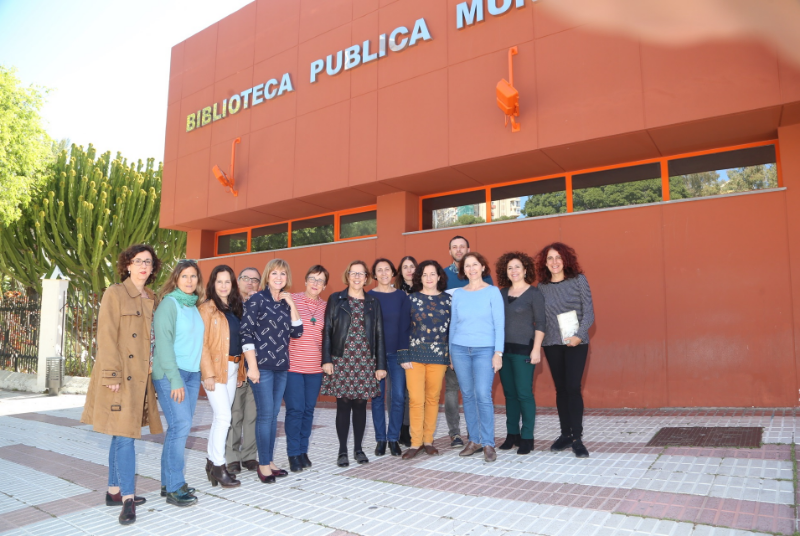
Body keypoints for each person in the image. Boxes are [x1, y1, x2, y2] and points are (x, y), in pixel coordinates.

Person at [81, 245, 162, 526]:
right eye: (138, 261)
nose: (143, 266)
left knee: (120, 433)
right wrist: (112, 375)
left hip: (142, 377)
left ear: (153, 269)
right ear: (127, 265)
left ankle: (113, 491)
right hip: (121, 376)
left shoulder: (151, 297)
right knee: (127, 436)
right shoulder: (114, 293)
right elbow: (105, 336)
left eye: (148, 262)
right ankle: (128, 498)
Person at [240, 259, 303, 483]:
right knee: (265, 416)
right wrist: (253, 366)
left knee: (273, 415)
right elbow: (246, 333)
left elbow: (297, 332)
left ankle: (269, 460)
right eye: (275, 273)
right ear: (267, 276)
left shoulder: (286, 302)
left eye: (283, 274)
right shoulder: (257, 299)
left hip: (281, 366)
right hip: (262, 367)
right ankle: (263, 464)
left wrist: (293, 304)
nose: (279, 277)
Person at [321, 260, 387, 467]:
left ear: (367, 278)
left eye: (361, 274)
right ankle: (342, 451)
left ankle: (358, 449)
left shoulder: (373, 303)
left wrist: (380, 365)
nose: (357, 277)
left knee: (360, 406)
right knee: (343, 406)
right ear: (347, 275)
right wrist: (326, 359)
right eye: (353, 273)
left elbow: (379, 334)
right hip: (342, 359)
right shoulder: (336, 299)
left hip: (365, 360)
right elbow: (328, 331)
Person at [152, 259, 205, 507]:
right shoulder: (169, 305)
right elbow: (163, 346)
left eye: (193, 276)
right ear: (176, 279)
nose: (189, 280)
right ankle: (174, 488)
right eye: (184, 276)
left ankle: (168, 482)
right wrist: (175, 380)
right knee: (181, 425)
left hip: (192, 375)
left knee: (178, 428)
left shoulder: (193, 306)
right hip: (171, 375)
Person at [535, 242, 595, 459]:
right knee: (561, 389)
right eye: (550, 258)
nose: (554, 262)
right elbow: (540, 319)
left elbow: (589, 312)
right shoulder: (541, 287)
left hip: (577, 343)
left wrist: (579, 335)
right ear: (545, 263)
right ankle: (565, 434)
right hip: (552, 344)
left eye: (558, 257)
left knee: (573, 387)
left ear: (566, 259)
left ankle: (577, 438)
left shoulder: (579, 280)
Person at [450, 252, 504, 462]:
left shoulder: (493, 292)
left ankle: (488, 443)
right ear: (463, 270)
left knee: (482, 394)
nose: (471, 269)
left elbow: (499, 324)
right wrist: (451, 354)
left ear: (482, 267)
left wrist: (497, 352)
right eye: (467, 266)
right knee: (468, 395)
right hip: (460, 349)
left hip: (485, 350)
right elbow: (453, 325)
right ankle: (474, 440)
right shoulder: (459, 294)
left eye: (475, 265)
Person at [397, 260, 451, 459]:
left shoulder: (448, 300)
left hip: (439, 356)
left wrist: (451, 355)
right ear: (420, 277)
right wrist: (403, 355)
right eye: (425, 274)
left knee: (432, 399)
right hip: (414, 356)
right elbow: (402, 328)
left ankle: (428, 440)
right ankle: (415, 442)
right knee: (416, 400)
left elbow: (453, 330)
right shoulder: (410, 299)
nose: (429, 278)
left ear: (439, 276)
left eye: (432, 274)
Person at [443, 236, 493, 448]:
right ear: (450, 251)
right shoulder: (442, 276)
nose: (459, 250)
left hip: (480, 344)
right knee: (453, 389)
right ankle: (456, 433)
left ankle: (482, 437)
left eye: (462, 246)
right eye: (454, 247)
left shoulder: (485, 279)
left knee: (480, 392)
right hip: (452, 342)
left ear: (469, 249)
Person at [495, 252, 545, 455]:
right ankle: (511, 435)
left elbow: (541, 323)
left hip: (525, 350)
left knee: (524, 394)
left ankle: (527, 437)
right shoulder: (500, 293)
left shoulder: (534, 294)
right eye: (509, 268)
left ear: (525, 269)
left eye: (517, 267)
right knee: (510, 395)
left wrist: (536, 349)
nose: (513, 271)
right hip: (503, 351)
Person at [198, 265, 244, 487]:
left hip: (233, 368)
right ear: (212, 284)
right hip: (215, 370)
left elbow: (241, 342)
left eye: (228, 282)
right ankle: (218, 465)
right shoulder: (207, 309)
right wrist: (207, 373)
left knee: (220, 418)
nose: (224, 286)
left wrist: (241, 370)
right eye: (219, 282)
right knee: (225, 417)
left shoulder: (234, 307)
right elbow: (202, 344)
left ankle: (211, 462)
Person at [284, 265, 329, 472]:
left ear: (325, 285)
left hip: (314, 369)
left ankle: (303, 451)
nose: (315, 283)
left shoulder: (326, 307)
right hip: (293, 367)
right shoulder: (291, 299)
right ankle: (293, 453)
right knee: (295, 410)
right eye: (312, 278)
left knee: (308, 411)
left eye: (320, 280)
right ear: (305, 281)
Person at [368, 258, 411, 457]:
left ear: (392, 273)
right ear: (374, 275)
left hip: (397, 355)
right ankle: (380, 439)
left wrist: (404, 353)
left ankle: (393, 438)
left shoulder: (401, 296)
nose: (384, 273)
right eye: (379, 270)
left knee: (399, 397)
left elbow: (405, 327)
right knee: (377, 397)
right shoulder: (369, 297)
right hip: (376, 356)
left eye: (387, 269)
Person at [226, 267, 260, 475]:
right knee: (234, 414)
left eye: (254, 280)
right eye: (245, 278)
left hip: (257, 368)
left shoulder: (261, 305)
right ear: (237, 281)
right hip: (236, 367)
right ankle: (231, 457)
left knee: (253, 415)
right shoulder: (230, 307)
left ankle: (249, 456)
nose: (250, 282)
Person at [394, 255, 417, 447]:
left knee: (413, 392)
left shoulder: (424, 290)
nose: (409, 270)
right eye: (405, 267)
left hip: (418, 347)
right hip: (398, 345)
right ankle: (398, 428)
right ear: (400, 272)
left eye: (412, 267)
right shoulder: (395, 293)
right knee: (397, 391)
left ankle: (409, 428)